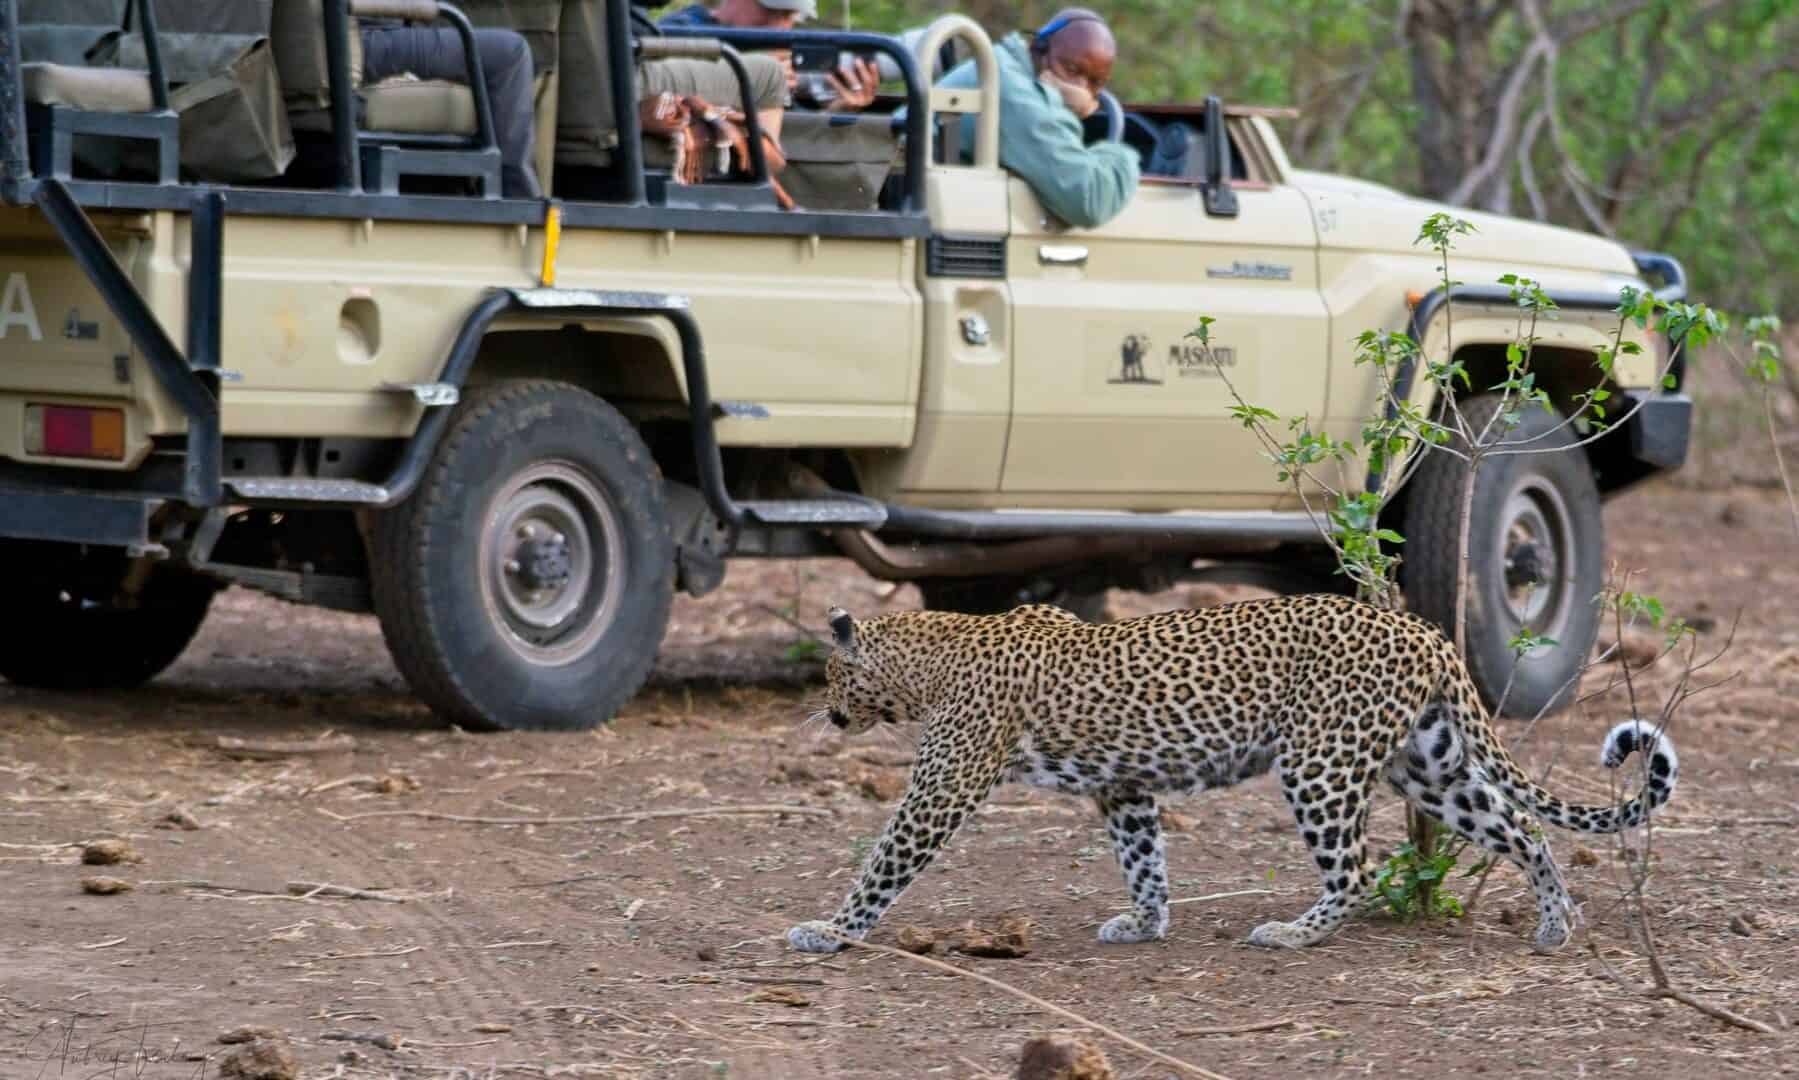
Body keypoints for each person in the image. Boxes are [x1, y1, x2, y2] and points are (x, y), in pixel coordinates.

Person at [936, 8, 1139, 229]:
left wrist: (1057, 101)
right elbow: (1089, 199)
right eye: (1072, 70)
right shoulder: (1016, 95)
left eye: (1095, 82)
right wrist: (1121, 155)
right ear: (1038, 48)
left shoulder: (1002, 66)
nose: (1080, 89)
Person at [359, 21, 543, 199]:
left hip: (376, 34)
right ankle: (518, 198)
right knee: (511, 53)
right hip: (369, 38)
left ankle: (498, 192)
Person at [659, 0, 882, 114]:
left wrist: (835, 114)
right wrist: (752, 78)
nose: (778, 26)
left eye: (788, 15)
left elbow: (783, 144)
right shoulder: (680, 31)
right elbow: (659, 96)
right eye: (771, 11)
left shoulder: (784, 55)